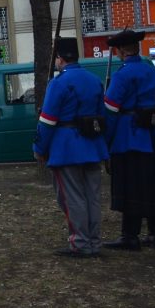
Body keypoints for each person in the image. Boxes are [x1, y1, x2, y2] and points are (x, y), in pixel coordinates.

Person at [33, 37, 109, 258]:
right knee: (92, 196)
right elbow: (103, 116)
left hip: (66, 147)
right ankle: (94, 240)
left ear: (59, 58)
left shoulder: (58, 83)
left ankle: (80, 242)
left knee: (72, 197)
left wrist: (39, 147)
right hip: (93, 145)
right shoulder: (94, 80)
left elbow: (47, 121)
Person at [102, 29, 155, 251]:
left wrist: (106, 141)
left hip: (130, 138)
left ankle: (130, 236)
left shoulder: (122, 75)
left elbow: (111, 111)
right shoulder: (151, 71)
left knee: (131, 187)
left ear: (121, 51)